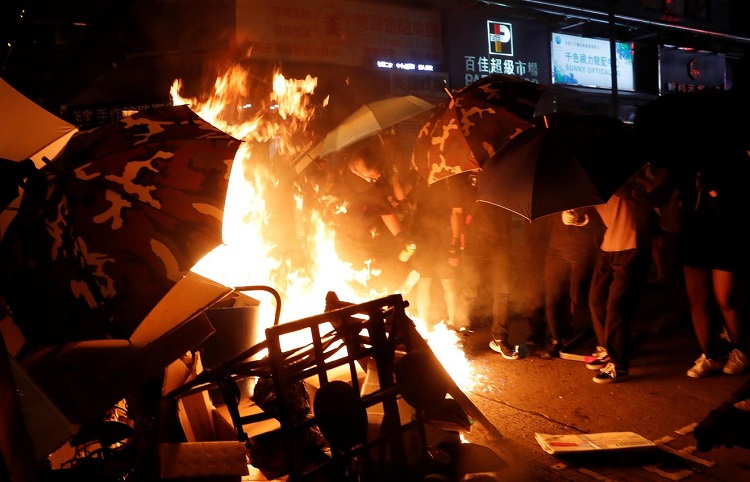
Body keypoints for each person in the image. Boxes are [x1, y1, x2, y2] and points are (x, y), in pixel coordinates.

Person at [673, 151, 750, 378]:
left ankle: (741, 350)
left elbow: (740, 199)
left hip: (725, 232)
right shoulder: (682, 163)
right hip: (693, 232)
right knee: (697, 298)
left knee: (725, 298)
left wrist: (714, 190)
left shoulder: (733, 160)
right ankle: (709, 355)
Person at [586, 170, 654, 383]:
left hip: (630, 243)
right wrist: (575, 215)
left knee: (617, 307)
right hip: (609, 244)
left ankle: (619, 364)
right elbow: (587, 213)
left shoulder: (622, 176)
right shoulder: (585, 182)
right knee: (596, 299)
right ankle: (608, 347)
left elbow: (632, 192)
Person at [320, 141, 407, 293]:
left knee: (365, 288)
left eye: (376, 176)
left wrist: (400, 236)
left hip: (366, 245)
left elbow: (385, 211)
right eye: (372, 176)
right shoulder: (337, 181)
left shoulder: (373, 188)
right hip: (341, 244)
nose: (377, 178)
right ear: (355, 168)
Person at [409, 172, 473, 332]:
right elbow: (405, 198)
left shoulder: (451, 181)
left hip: (444, 239)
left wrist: (455, 243)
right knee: (425, 281)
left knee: (447, 282)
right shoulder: (419, 177)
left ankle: (451, 323)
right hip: (424, 239)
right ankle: (424, 326)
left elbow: (456, 213)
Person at [463, 184, 518, 360]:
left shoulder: (506, 181)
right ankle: (460, 336)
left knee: (502, 292)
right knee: (470, 291)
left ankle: (499, 338)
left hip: (500, 244)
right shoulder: (467, 180)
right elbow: (460, 213)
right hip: (476, 244)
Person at [542, 206, 604, 357]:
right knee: (552, 297)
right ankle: (556, 339)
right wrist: (558, 214)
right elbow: (543, 216)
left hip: (581, 247)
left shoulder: (586, 191)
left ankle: (602, 332)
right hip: (556, 249)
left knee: (578, 294)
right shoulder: (552, 192)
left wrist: (582, 218)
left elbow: (600, 220)